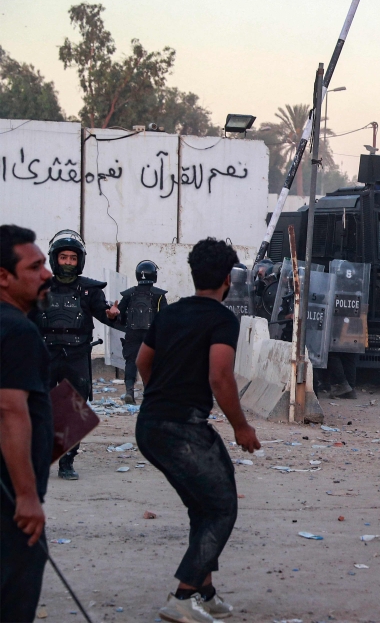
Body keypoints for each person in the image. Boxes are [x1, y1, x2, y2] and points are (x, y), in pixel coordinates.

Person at [134, 238, 260, 623]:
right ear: (228, 279)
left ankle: (204, 592)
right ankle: (183, 595)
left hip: (151, 424)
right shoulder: (222, 319)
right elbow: (220, 376)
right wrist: (241, 426)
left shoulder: (170, 313)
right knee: (221, 507)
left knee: (203, 504)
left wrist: (163, 394)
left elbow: (143, 361)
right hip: (182, 428)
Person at [0, 224, 54, 622]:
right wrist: (26, 496)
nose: (47, 274)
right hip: (8, 506)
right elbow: (8, 410)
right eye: (35, 267)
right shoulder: (18, 330)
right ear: (4, 277)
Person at [34, 229, 119, 480]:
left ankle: (67, 461)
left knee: (74, 409)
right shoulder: (40, 286)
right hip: (45, 354)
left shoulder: (90, 289)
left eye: (72, 258)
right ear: (54, 259)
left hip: (77, 355)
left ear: (79, 260)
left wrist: (112, 315)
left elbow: (105, 314)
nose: (68, 262)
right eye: (63, 258)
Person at [115, 260, 167, 404]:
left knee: (131, 361)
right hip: (152, 335)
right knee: (150, 363)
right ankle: (148, 393)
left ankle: (129, 391)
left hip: (132, 333)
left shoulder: (129, 294)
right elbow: (165, 316)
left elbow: (119, 314)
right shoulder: (159, 295)